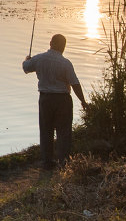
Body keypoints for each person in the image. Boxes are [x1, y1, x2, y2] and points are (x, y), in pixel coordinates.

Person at [23, 33, 87, 169]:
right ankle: (63, 161)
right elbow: (75, 84)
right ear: (63, 46)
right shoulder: (66, 63)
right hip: (63, 99)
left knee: (46, 130)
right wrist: (83, 101)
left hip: (45, 99)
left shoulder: (39, 59)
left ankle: (47, 161)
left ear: (51, 43)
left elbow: (26, 68)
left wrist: (26, 59)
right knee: (64, 131)